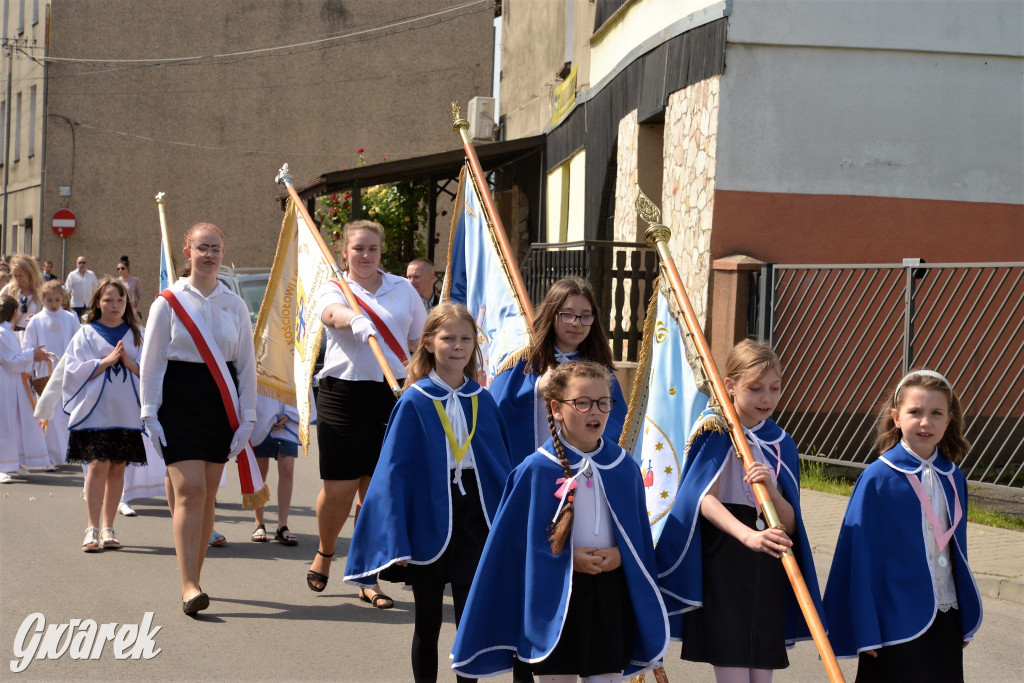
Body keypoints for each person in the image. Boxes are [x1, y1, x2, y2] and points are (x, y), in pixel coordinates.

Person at [452, 360, 669, 680]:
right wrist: (569, 557)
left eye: (603, 403)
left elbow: (636, 537)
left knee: (605, 677)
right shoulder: (536, 469)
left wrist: (621, 555)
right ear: (556, 408)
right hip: (553, 595)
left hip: (608, 595)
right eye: (582, 403)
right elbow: (515, 545)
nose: (595, 411)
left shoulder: (624, 467)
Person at [344, 303, 513, 681]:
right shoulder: (414, 400)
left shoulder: (482, 399)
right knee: (429, 619)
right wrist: (397, 537)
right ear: (430, 343)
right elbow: (393, 476)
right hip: (429, 514)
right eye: (448, 338)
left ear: (474, 345)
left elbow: (500, 467)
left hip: (475, 514)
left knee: (471, 616)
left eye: (465, 339)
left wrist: (509, 526)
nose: (458, 346)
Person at [654, 340, 823, 683]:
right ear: (730, 386)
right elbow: (702, 499)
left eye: (775, 388)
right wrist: (747, 535)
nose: (767, 398)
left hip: (769, 565)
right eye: (755, 388)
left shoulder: (781, 442)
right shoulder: (715, 431)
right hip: (727, 559)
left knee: (761, 675)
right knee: (733, 671)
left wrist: (772, 492)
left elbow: (791, 524)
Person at [823, 370, 982, 682]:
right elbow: (858, 558)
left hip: (945, 615)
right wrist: (865, 627)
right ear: (896, 417)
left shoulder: (954, 476)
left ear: (948, 420)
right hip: (891, 619)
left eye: (936, 413)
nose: (926, 422)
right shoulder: (877, 478)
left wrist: (962, 615)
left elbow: (956, 552)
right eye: (915, 412)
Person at [305, 219, 427, 606]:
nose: (365, 255)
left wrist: (419, 384)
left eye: (372, 249)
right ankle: (326, 551)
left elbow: (419, 341)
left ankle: (366, 575)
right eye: (358, 249)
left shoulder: (402, 289)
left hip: (391, 395)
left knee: (375, 492)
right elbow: (329, 315)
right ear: (345, 252)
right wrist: (352, 318)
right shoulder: (334, 287)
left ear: (381, 251)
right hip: (342, 395)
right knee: (338, 490)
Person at [140, 222, 257, 616]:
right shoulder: (168, 301)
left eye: (216, 249)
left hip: (219, 402)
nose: (209, 255)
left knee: (208, 493)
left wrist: (249, 416)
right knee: (189, 488)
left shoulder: (234, 303)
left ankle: (196, 575)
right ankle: (188, 584)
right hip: (178, 398)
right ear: (187, 251)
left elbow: (245, 366)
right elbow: (152, 362)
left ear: (224, 253)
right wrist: (149, 412)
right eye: (202, 248)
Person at [489, 277, 627, 466]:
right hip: (534, 471)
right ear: (552, 314)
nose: (576, 323)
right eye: (567, 315)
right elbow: (495, 414)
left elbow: (617, 427)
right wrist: (536, 388)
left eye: (585, 316)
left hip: (585, 472)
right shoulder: (523, 363)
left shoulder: (600, 370)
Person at [62, 279, 147, 552]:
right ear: (98, 302)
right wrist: (105, 362)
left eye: (120, 301)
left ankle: (109, 527)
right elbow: (72, 370)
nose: (114, 305)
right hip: (95, 412)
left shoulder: (138, 333)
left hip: (126, 413)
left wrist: (128, 362)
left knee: (117, 469)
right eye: (108, 300)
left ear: (127, 303)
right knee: (98, 466)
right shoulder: (86, 333)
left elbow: (151, 371)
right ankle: (92, 527)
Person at [23, 280, 81, 470]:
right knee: (48, 413)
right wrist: (36, 355)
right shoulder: (37, 320)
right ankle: (45, 454)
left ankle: (64, 452)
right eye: (49, 300)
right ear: (42, 299)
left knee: (64, 414)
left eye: (57, 299)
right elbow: (28, 346)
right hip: (45, 372)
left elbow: (78, 341)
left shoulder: (70, 317)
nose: (54, 304)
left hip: (67, 371)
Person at [0, 295, 50, 483]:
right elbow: (11, 362)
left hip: (11, 381)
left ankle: (14, 460)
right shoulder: (2, 333)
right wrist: (32, 354)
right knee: (4, 422)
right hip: (4, 380)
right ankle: (2, 465)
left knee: (14, 422)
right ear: (14, 313)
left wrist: (32, 356)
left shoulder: (8, 332)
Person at [249, 394, 307, 545]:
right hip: (261, 410)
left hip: (287, 412)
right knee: (260, 471)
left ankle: (283, 525)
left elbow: (297, 379)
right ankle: (259, 523)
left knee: (287, 468)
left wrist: (289, 413)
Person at [1, 254, 43, 331]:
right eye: (15, 275)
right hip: (12, 334)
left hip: (32, 334)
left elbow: (50, 314)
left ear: (30, 274)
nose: (18, 279)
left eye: (21, 275)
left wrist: (38, 317)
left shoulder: (41, 291)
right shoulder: (8, 289)